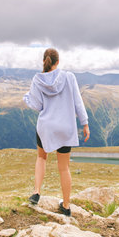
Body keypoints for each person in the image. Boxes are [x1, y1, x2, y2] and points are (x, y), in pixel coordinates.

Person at [23, 48, 90, 216]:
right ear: (57, 62)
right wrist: (85, 123)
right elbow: (78, 102)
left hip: (46, 126)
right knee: (64, 167)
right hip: (65, 128)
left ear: (44, 62)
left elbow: (37, 105)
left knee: (41, 157)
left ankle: (36, 193)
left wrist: (26, 97)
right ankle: (66, 206)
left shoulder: (37, 80)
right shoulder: (69, 77)